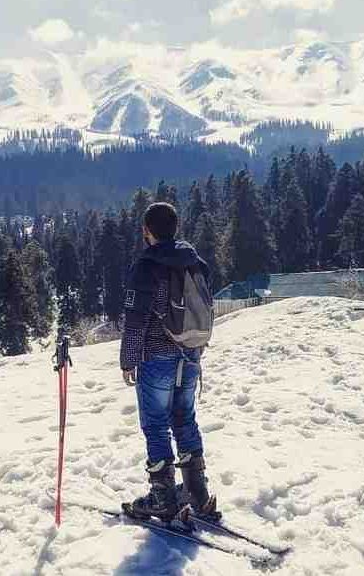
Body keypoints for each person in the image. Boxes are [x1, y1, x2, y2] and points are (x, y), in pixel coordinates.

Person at [120, 202, 219, 522]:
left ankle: (163, 495)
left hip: (156, 355)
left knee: (156, 424)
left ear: (147, 231)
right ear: (175, 228)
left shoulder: (147, 265)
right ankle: (197, 491)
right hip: (190, 353)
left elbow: (136, 318)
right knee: (184, 418)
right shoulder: (195, 261)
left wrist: (128, 358)